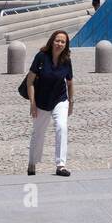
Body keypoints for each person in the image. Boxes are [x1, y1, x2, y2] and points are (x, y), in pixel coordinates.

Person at [26, 30, 74, 177]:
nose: (59, 44)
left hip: (60, 99)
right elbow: (30, 81)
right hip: (41, 101)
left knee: (61, 126)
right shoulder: (41, 57)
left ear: (66, 45)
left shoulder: (66, 60)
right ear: (52, 41)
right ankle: (32, 163)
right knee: (38, 133)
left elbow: (70, 82)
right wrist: (32, 103)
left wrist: (71, 102)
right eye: (57, 41)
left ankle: (61, 165)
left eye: (63, 42)